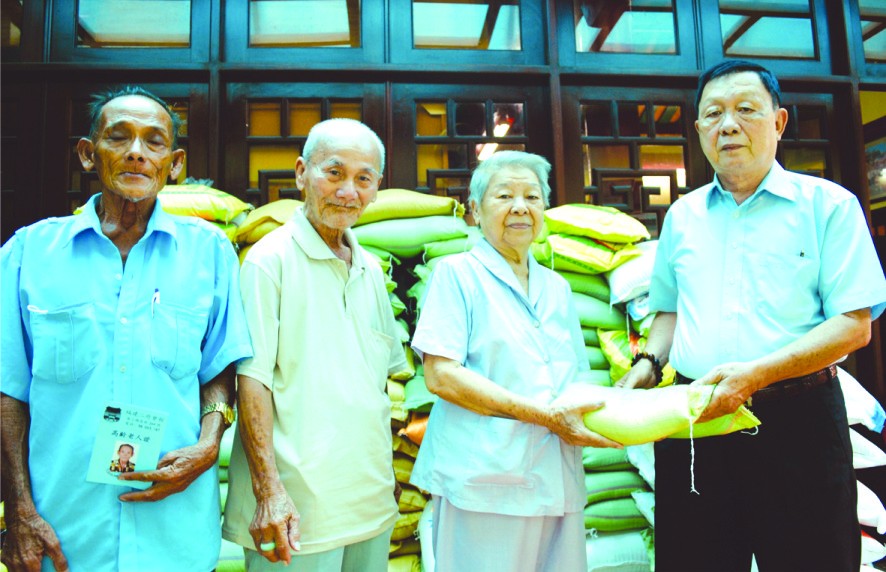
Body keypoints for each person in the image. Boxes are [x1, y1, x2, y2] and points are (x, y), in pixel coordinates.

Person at [618, 60, 886, 571]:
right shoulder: (683, 216)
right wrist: (647, 366)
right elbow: (669, 313)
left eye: (746, 110)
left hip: (797, 420)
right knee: (695, 560)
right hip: (697, 418)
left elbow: (854, 324)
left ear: (779, 122)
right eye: (713, 114)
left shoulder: (828, 206)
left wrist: (756, 375)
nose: (728, 125)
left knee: (811, 559)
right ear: (698, 130)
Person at [1, 86, 253, 572]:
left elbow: (220, 368)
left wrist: (208, 445)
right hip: (64, 531)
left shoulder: (210, 252)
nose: (137, 152)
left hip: (174, 526)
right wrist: (20, 510)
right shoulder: (27, 254)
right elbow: (8, 390)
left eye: (154, 142)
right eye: (119, 137)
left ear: (174, 164)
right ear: (87, 154)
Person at [409, 150, 620, 572]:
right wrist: (543, 416)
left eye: (533, 197)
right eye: (504, 195)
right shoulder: (457, 274)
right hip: (485, 480)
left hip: (555, 476)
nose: (521, 207)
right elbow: (442, 376)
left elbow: (575, 376)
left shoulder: (557, 286)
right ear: (475, 210)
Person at [222, 118, 408, 572]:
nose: (348, 191)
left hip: (367, 502)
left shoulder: (369, 269)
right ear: (302, 172)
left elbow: (378, 384)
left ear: (377, 188)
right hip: (293, 512)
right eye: (334, 172)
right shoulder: (269, 262)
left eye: (363, 179)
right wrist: (269, 493)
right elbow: (252, 385)